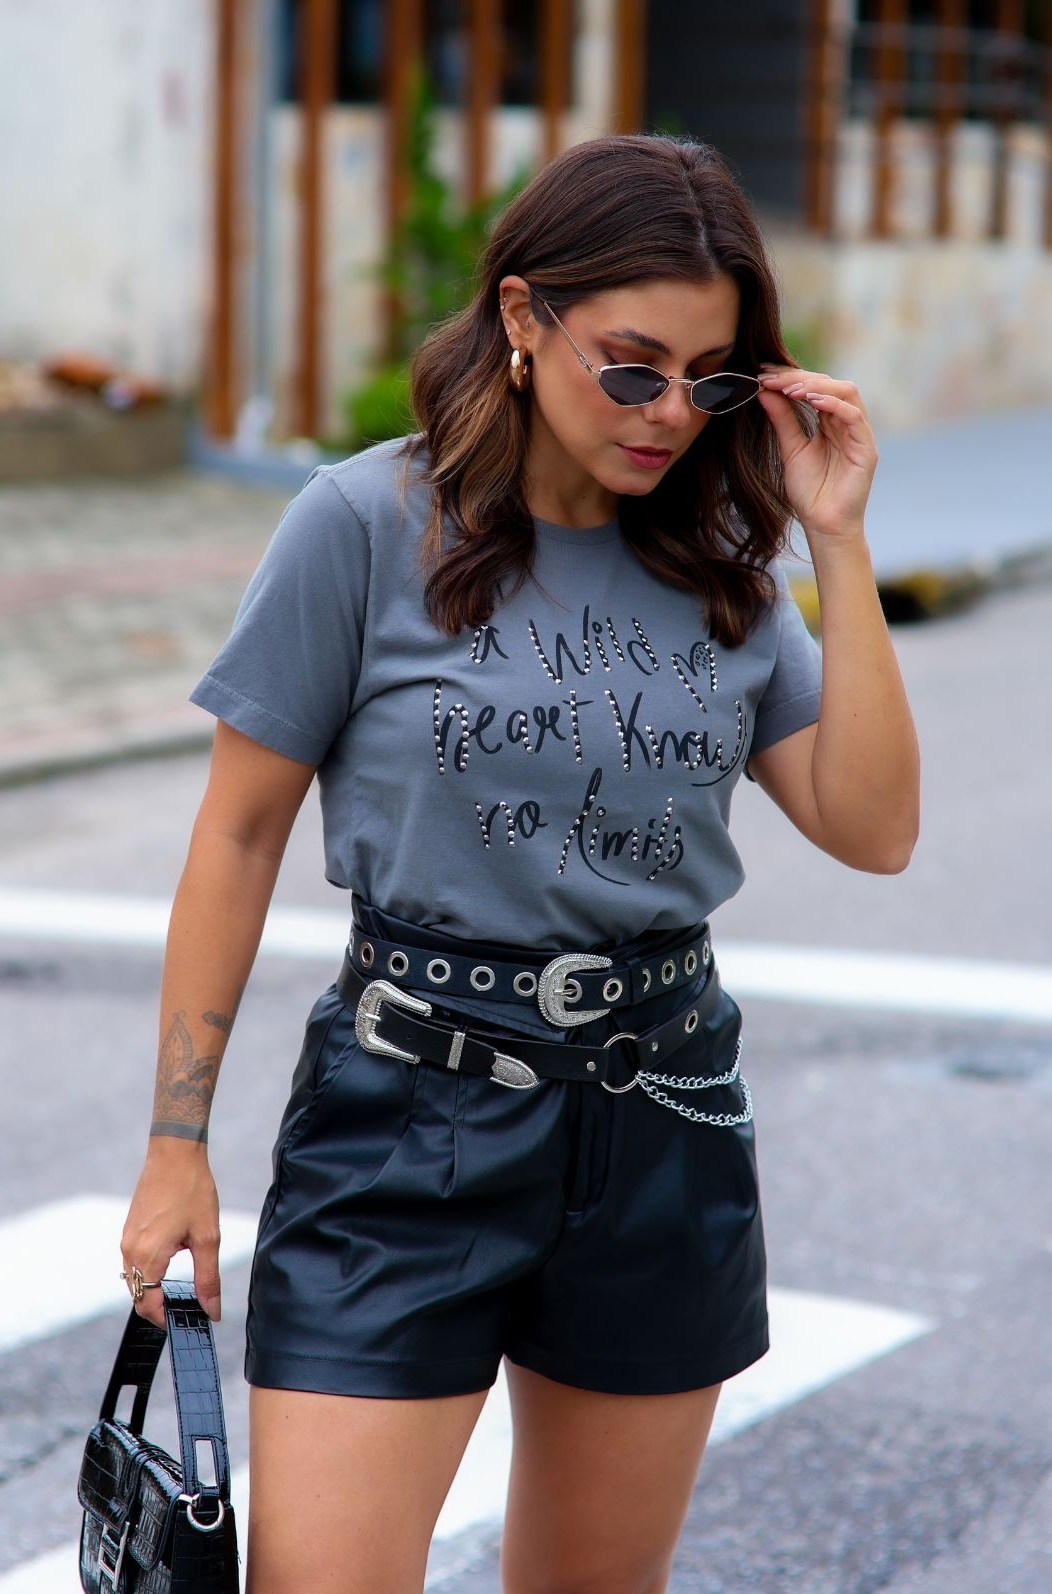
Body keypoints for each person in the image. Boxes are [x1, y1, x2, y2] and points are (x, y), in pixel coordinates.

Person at [120, 133, 920, 1594]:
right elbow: (235, 835)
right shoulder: (365, 524)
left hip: (661, 1117)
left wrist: (838, 541)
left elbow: (875, 829)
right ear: (520, 318)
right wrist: (178, 1141)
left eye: (712, 379)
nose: (670, 414)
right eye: (632, 367)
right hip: (404, 1116)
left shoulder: (726, 567)